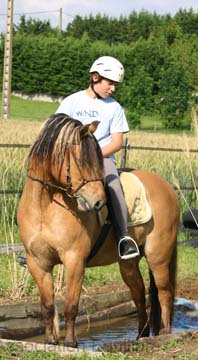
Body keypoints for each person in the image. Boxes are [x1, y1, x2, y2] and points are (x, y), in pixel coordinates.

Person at [56, 56, 140, 260]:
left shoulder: (114, 108)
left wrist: (91, 155)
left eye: (115, 85)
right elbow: (56, 131)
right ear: (95, 78)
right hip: (70, 160)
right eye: (110, 83)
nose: (113, 89)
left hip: (101, 159)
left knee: (113, 185)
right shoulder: (71, 101)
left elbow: (116, 142)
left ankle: (123, 238)